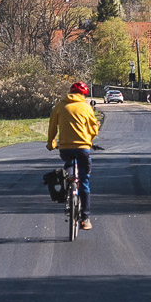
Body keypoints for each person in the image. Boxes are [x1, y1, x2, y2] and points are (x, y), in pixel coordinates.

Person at [47, 81, 101, 230]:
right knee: (84, 181)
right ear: (83, 95)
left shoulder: (60, 106)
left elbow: (52, 127)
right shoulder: (86, 107)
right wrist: (88, 140)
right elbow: (94, 128)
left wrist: (51, 143)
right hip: (83, 148)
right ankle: (86, 218)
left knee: (69, 167)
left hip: (65, 148)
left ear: (70, 93)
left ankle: (68, 189)